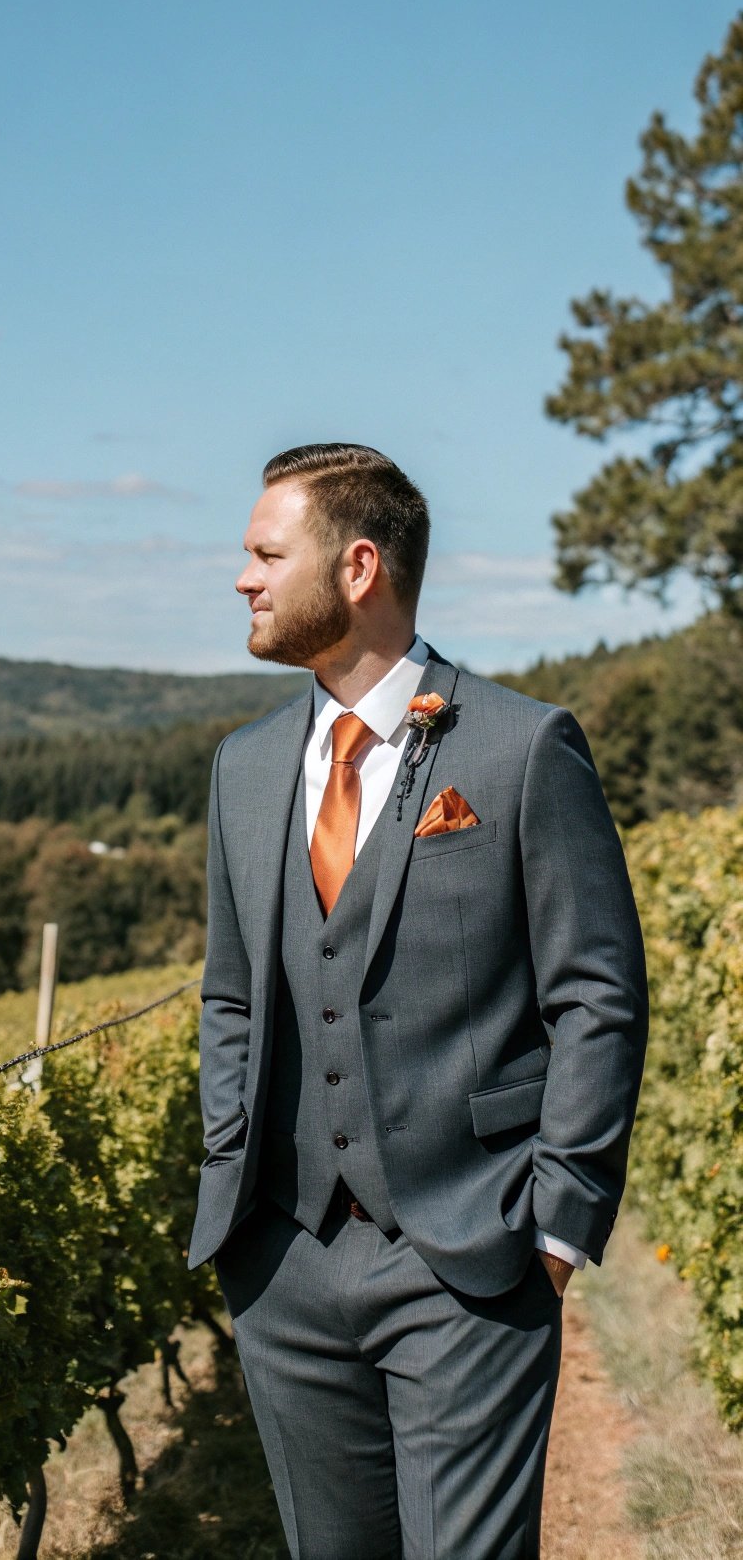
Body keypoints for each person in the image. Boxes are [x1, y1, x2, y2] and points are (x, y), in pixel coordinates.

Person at [188, 442, 648, 1560]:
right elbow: (231, 997)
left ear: (356, 567)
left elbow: (597, 990)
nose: (240, 578)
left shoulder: (518, 747)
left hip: (474, 1254)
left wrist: (555, 1218)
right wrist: (234, 1184)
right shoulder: (243, 768)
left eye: (263, 553)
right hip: (284, 1264)